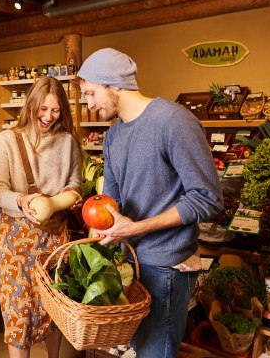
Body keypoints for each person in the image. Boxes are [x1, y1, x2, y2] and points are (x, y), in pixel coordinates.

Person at [77, 48, 223, 357]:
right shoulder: (114, 135)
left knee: (156, 351)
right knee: (141, 347)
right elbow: (112, 201)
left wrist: (136, 228)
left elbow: (207, 198)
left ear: (112, 84)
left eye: (90, 93)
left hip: (167, 265)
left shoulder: (173, 121)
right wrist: (98, 240)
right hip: (133, 262)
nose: (89, 104)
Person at [0, 76, 82, 358]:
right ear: (30, 105)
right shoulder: (5, 140)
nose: (48, 116)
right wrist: (19, 200)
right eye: (42, 108)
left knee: (53, 309)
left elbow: (76, 184)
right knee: (18, 313)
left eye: (54, 110)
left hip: (55, 238)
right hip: (15, 239)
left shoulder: (68, 142)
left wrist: (60, 200)